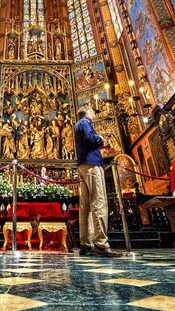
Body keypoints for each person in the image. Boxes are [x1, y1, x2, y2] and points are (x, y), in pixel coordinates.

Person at [75, 106, 121, 257]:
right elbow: (90, 139)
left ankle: (86, 244)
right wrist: (100, 138)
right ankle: (101, 243)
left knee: (86, 206)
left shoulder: (78, 125)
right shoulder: (85, 122)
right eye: (93, 113)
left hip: (83, 165)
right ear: (88, 113)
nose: (94, 116)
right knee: (99, 201)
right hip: (92, 165)